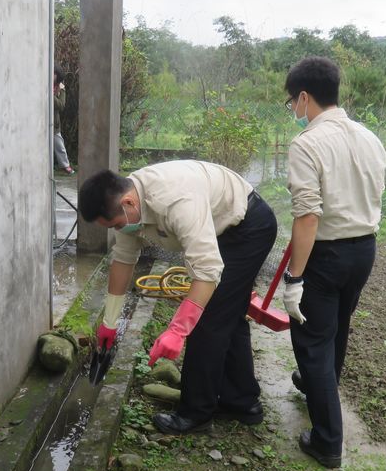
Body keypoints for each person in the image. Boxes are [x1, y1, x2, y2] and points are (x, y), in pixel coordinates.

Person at [78, 161, 277, 435]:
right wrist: (109, 322)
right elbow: (124, 259)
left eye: (116, 224)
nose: (118, 229)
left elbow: (207, 271)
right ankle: (241, 402)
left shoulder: (176, 201)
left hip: (246, 228)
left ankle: (196, 413)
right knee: (227, 315)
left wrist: (177, 331)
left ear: (128, 202)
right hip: (220, 227)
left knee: (208, 320)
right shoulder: (128, 204)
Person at [282, 56, 386, 468]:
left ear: (305, 97)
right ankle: (318, 389)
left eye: (293, 102)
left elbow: (308, 215)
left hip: (326, 253)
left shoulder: (307, 142)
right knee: (336, 330)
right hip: (364, 249)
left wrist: (295, 278)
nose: (294, 110)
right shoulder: (369, 137)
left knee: (312, 343)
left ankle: (327, 441)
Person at [52, 65, 74, 174]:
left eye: (54, 74)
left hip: (53, 123)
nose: (52, 76)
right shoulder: (44, 84)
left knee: (59, 143)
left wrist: (51, 96)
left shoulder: (61, 88)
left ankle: (65, 165)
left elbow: (61, 105)